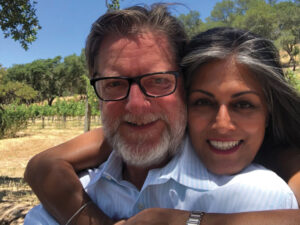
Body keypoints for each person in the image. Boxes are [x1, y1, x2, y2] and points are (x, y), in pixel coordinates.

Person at [24, 4, 300, 225]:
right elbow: (43, 165)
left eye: (158, 81)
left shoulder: (264, 195)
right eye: (114, 83)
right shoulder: (75, 192)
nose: (136, 106)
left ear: (183, 86)